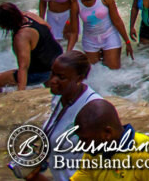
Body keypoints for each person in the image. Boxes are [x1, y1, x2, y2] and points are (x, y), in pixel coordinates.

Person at [59, 99, 149, 180]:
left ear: (108, 133)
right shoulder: (94, 152)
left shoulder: (145, 152)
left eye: (85, 140)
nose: (81, 145)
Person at [40, 51, 104, 181]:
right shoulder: (59, 96)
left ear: (79, 79)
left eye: (61, 77)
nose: (52, 80)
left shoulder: (93, 107)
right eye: (52, 73)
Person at [0, 1, 62, 91]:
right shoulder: (29, 15)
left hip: (42, 73)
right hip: (58, 61)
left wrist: (21, 92)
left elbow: (23, 68)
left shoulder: (21, 37)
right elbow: (48, 27)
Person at [76, 0, 132, 69]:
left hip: (109, 35)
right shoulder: (76, 3)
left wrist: (127, 41)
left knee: (113, 70)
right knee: (95, 72)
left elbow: (117, 21)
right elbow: (73, 29)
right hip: (90, 39)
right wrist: (69, 50)